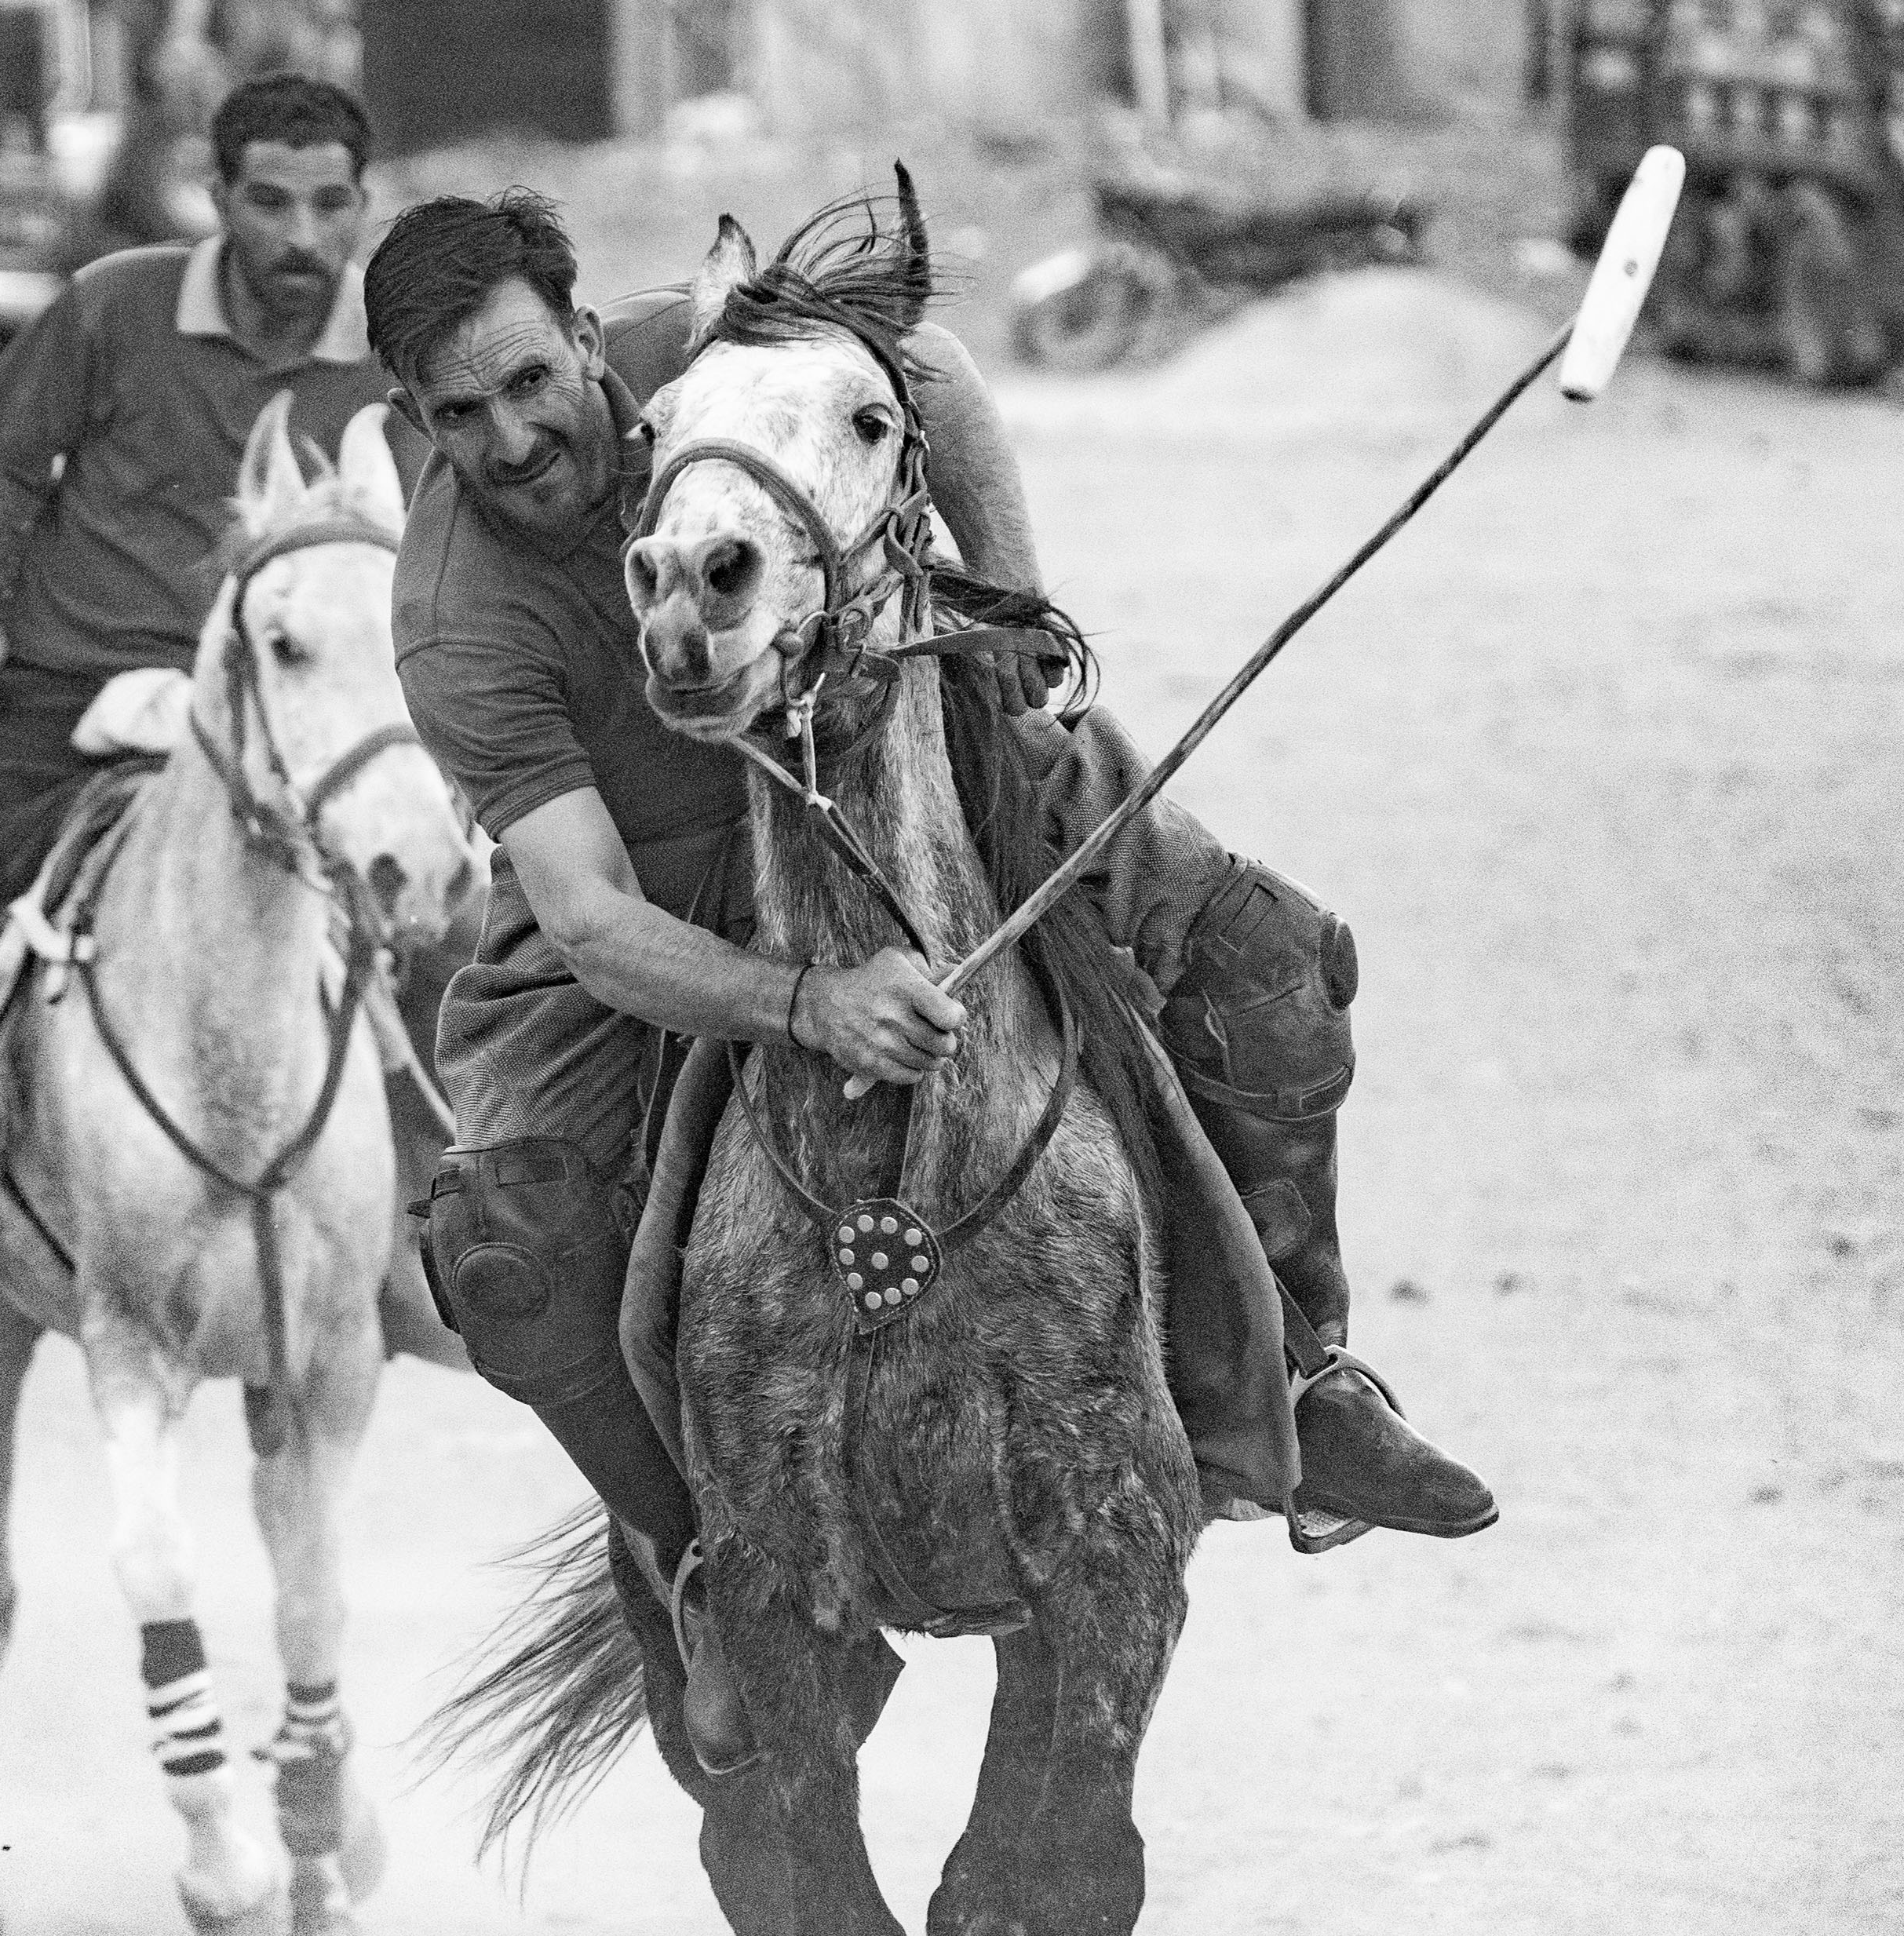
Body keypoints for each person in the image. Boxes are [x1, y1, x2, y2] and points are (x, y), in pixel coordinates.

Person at [369, 189, 1495, 1755]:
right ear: (410, 420)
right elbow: (590, 915)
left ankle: (1304, 1382)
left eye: (529, 380)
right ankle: (700, 1557)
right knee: (507, 1248)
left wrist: (1012, 602)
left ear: (580, 332)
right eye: (458, 414)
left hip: (911, 755)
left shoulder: (710, 358)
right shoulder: (453, 616)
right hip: (661, 883)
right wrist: (807, 1002)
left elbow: (941, 378)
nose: (510, 438)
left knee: (1271, 969)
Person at [0, 71, 392, 1416]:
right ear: (216, 197)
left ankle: (425, 1263)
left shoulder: (391, 361)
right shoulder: (115, 308)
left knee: (460, 950)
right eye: (269, 202)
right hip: (57, 705)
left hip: (291, 727)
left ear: (363, 206)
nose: (301, 236)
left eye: (329, 205)